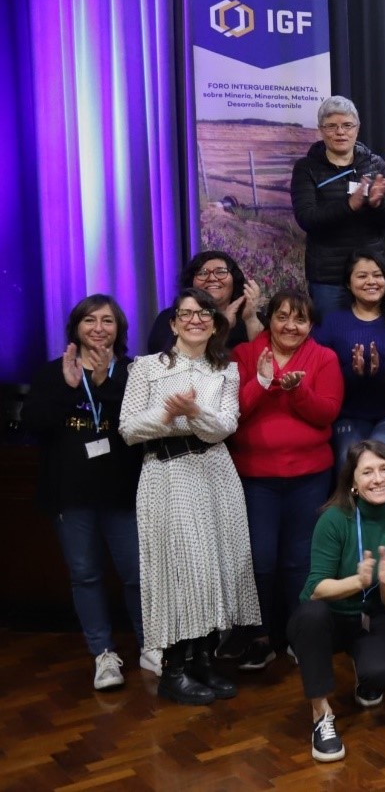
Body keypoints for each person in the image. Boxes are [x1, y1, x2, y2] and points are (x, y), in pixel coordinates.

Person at [120, 288, 261, 705]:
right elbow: (129, 429)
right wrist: (167, 414)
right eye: (186, 314)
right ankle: (174, 670)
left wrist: (195, 413)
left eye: (204, 314)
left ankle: (203, 662)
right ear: (173, 323)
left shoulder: (226, 371)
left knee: (216, 567)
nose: (195, 320)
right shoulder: (146, 367)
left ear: (216, 325)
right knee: (181, 571)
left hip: (215, 472)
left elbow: (225, 426)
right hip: (168, 473)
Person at [22, 295, 155, 688]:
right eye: (90, 320)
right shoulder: (54, 372)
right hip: (71, 495)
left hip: (124, 493)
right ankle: (103, 655)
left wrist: (103, 385)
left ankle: (150, 645)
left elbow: (140, 424)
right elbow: (35, 425)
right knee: (85, 575)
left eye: (107, 321)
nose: (99, 328)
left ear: (119, 328)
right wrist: (69, 389)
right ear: (76, 327)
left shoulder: (134, 372)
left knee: (136, 574)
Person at [229, 289, 344, 670]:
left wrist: (298, 392)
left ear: (311, 325)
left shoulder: (324, 357)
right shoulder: (245, 355)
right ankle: (260, 637)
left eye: (300, 319)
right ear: (269, 319)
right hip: (256, 478)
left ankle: (299, 634)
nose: (290, 326)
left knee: (300, 560)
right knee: (260, 560)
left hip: (309, 477)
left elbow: (327, 413)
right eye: (282, 317)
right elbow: (232, 413)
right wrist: (261, 382)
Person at [290, 440, 385, 762]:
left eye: (384, 469)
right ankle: (321, 714)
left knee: (383, 674)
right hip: (329, 616)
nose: (378, 479)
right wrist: (358, 581)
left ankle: (365, 672)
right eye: (367, 472)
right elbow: (315, 589)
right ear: (353, 482)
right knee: (311, 616)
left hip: (372, 614)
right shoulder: (334, 519)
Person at [290, 95, 385, 311]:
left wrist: (378, 204)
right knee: (331, 331)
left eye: (347, 125)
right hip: (328, 277)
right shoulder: (306, 168)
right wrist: (349, 205)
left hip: (371, 272)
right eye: (332, 126)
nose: (340, 132)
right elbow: (306, 218)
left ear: (357, 129)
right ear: (321, 130)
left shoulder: (375, 164)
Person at [314, 250, 385, 474]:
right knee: (349, 460)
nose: (371, 281)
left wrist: (383, 371)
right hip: (349, 415)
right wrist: (352, 373)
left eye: (377, 275)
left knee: (379, 454)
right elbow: (320, 376)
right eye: (362, 276)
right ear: (348, 284)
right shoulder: (332, 322)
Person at [145, 251, 263, 354]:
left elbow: (267, 358)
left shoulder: (253, 318)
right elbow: (161, 354)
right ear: (191, 282)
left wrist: (251, 319)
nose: (212, 278)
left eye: (221, 272)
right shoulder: (172, 316)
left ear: (234, 280)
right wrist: (223, 325)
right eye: (202, 273)